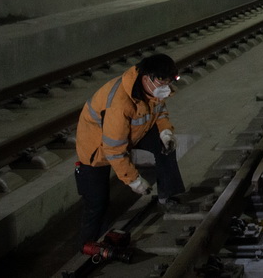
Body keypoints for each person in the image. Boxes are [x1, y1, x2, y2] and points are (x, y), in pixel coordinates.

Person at [74, 54, 188, 245]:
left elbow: (159, 113)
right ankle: (87, 247)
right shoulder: (119, 104)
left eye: (169, 82)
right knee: (97, 204)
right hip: (97, 148)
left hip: (131, 134)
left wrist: (166, 132)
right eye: (162, 82)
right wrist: (134, 181)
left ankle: (167, 197)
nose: (165, 88)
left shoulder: (151, 90)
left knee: (165, 146)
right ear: (147, 78)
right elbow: (113, 150)